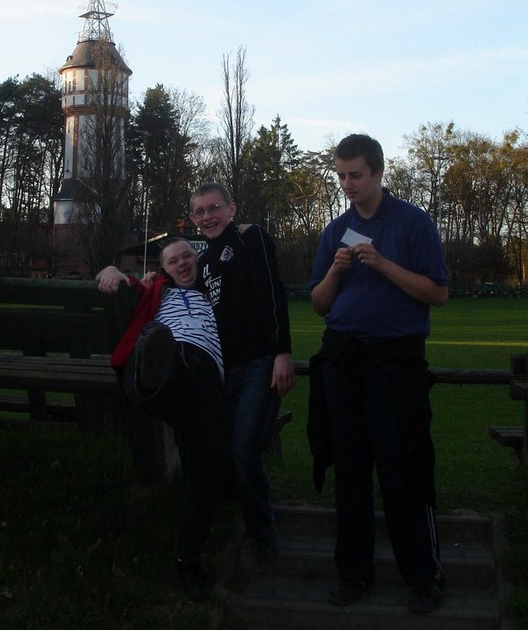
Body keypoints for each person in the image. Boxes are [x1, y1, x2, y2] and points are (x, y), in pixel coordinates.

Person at [308, 134, 448, 615]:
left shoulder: (412, 222)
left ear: (378, 173)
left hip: (395, 361)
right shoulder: (336, 231)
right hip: (344, 358)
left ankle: (423, 578)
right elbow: (319, 305)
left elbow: (437, 293)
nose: (347, 184)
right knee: (350, 470)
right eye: (341, 176)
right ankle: (354, 573)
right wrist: (334, 272)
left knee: (402, 467)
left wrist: (384, 265)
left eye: (356, 175)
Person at [98, 237, 231, 601]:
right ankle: (159, 365)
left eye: (188, 256)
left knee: (205, 459)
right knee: (169, 352)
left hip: (202, 370)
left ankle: (187, 556)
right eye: (173, 261)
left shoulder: (215, 293)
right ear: (164, 269)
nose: (183, 263)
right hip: (161, 357)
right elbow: (124, 282)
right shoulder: (156, 290)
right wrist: (110, 269)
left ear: (198, 259)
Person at [188, 183, 295, 560]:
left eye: (214, 208)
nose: (207, 217)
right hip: (224, 371)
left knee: (245, 451)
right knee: (229, 453)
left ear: (231, 208)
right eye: (200, 212)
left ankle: (264, 538)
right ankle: (239, 522)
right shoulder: (204, 260)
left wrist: (282, 352)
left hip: (258, 364)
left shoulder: (251, 240)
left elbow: (272, 295)